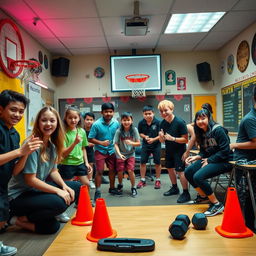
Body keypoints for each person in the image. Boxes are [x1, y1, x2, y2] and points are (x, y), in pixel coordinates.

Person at [8, 106, 81, 234]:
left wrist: (64, 186)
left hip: (34, 191)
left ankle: (42, 213)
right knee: (59, 203)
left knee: (76, 187)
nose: (48, 124)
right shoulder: (33, 143)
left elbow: (53, 171)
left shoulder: (52, 145)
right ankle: (17, 219)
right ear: (38, 123)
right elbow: (30, 180)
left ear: (57, 123)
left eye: (52, 120)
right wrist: (58, 191)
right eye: (44, 120)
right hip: (18, 196)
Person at [0, 90, 43, 256]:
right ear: (1, 109)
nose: (17, 114)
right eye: (13, 109)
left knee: (2, 220)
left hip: (3, 184)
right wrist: (20, 151)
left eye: (21, 111)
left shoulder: (15, 133)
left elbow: (15, 170)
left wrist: (26, 153)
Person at [185, 108, 233, 216]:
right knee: (188, 172)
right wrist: (198, 157)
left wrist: (210, 160)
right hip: (212, 159)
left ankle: (217, 204)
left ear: (209, 118)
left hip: (225, 160)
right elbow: (204, 151)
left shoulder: (218, 130)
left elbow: (225, 151)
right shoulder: (201, 132)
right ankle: (204, 197)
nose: (200, 121)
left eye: (203, 118)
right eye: (198, 119)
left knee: (198, 176)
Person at [58, 106, 92, 221]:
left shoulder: (81, 131)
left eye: (75, 117)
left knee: (86, 184)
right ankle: (61, 211)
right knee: (67, 189)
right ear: (65, 118)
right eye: (70, 118)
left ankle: (80, 204)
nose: (73, 120)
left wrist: (86, 163)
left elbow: (83, 148)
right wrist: (74, 142)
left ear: (79, 118)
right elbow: (63, 153)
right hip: (67, 164)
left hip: (80, 163)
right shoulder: (63, 132)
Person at [230, 86, 256, 232]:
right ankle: (249, 226)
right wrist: (234, 144)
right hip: (245, 162)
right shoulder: (250, 119)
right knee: (248, 198)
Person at [158, 100, 191, 203]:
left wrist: (173, 139)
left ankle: (186, 192)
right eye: (161, 111)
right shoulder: (162, 123)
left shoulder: (180, 122)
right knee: (169, 168)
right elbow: (162, 140)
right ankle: (174, 188)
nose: (163, 113)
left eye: (166, 110)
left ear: (171, 109)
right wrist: (161, 138)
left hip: (179, 151)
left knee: (180, 171)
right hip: (169, 150)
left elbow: (186, 140)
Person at [88, 103, 120, 202]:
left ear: (113, 112)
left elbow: (118, 136)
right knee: (100, 171)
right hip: (100, 151)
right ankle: (98, 191)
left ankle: (112, 188)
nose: (108, 113)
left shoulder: (116, 123)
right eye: (106, 111)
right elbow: (90, 138)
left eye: (110, 111)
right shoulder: (96, 124)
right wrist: (101, 142)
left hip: (112, 150)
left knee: (112, 170)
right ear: (102, 112)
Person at [114, 112, 141, 197]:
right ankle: (120, 184)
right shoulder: (118, 131)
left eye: (128, 120)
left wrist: (131, 143)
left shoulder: (134, 130)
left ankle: (133, 187)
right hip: (120, 153)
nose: (126, 122)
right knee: (120, 171)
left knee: (130, 170)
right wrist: (119, 154)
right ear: (121, 121)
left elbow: (138, 143)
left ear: (131, 120)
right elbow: (115, 144)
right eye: (124, 120)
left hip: (130, 154)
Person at [136, 105, 162, 189]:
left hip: (156, 145)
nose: (148, 115)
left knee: (157, 163)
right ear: (143, 114)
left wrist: (153, 139)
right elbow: (140, 133)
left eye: (149, 113)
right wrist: (145, 137)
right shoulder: (141, 123)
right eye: (146, 114)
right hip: (145, 145)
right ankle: (143, 180)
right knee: (142, 162)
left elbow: (161, 135)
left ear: (153, 113)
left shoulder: (159, 122)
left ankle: (158, 180)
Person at [83, 112, 96, 188]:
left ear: (93, 121)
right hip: (81, 150)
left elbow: (96, 140)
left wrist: (93, 143)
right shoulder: (81, 130)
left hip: (90, 150)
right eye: (87, 119)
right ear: (84, 120)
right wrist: (86, 143)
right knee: (82, 165)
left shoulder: (94, 130)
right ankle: (83, 180)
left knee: (90, 165)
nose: (89, 121)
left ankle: (90, 180)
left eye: (91, 120)